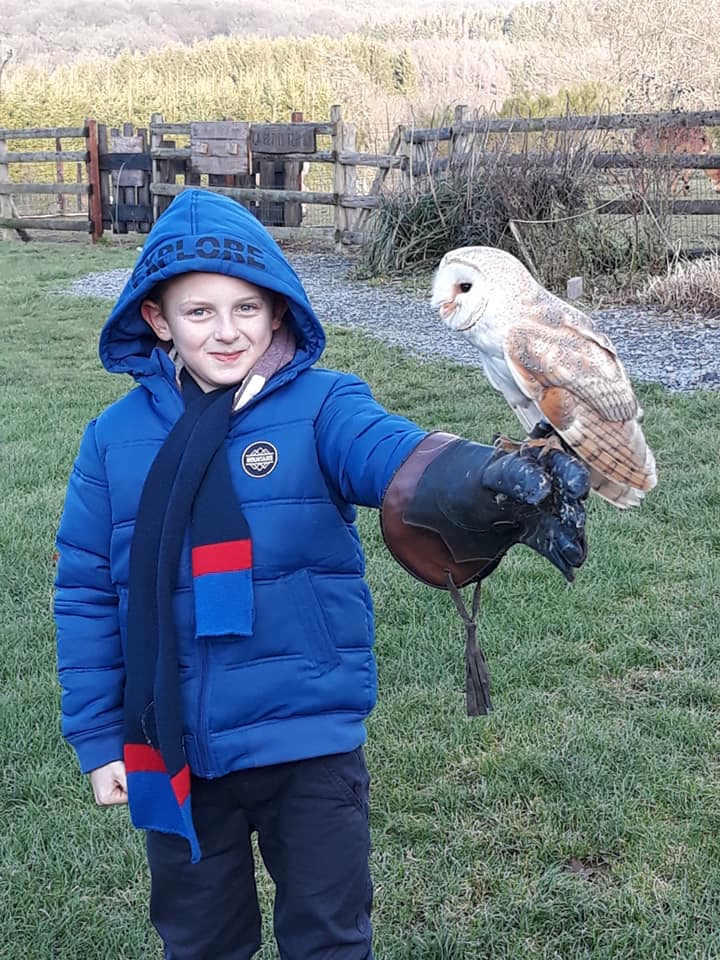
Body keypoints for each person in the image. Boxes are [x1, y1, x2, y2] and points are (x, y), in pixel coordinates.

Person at [54, 188, 589, 960]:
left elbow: (391, 453)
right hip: (173, 746)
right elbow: (83, 592)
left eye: (246, 307)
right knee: (200, 941)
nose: (227, 330)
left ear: (278, 309)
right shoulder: (112, 440)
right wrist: (99, 736)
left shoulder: (324, 406)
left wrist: (475, 479)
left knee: (329, 938)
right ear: (157, 318)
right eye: (199, 311)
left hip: (306, 740)